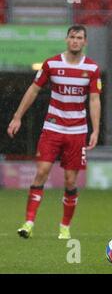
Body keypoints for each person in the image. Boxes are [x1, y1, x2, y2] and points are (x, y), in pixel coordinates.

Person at [7, 25, 102, 240]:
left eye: (79, 38)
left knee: (70, 181)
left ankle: (64, 227)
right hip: (52, 128)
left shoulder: (92, 68)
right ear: (66, 39)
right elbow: (33, 89)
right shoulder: (51, 64)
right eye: (72, 37)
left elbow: (95, 99)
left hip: (77, 131)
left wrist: (95, 129)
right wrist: (17, 116)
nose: (75, 41)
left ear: (85, 42)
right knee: (42, 172)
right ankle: (29, 223)